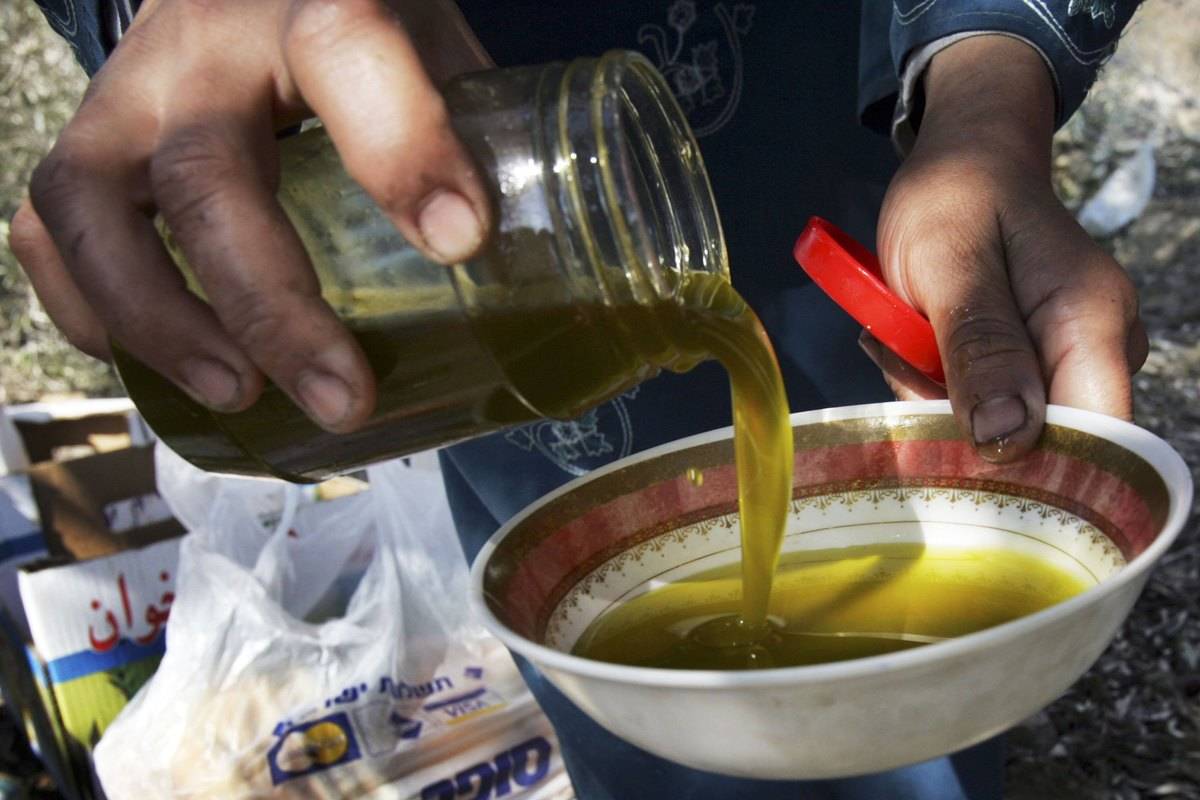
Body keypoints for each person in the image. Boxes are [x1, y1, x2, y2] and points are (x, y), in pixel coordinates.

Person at [10, 1, 1147, 798]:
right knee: (642, 709)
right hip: (460, 162)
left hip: (828, 113)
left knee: (928, 712)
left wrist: (984, 104)